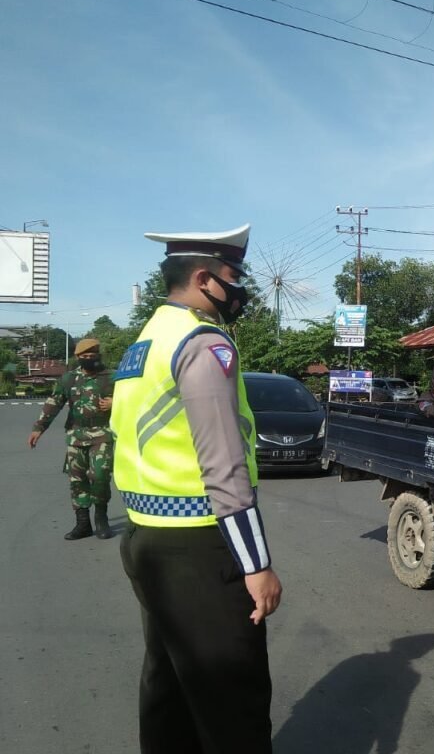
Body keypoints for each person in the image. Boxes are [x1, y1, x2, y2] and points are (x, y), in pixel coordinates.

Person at [111, 223, 282, 754]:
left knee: (170, 693)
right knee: (234, 704)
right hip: (200, 545)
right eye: (234, 277)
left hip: (146, 537)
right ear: (205, 279)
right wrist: (256, 565)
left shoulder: (144, 343)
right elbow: (224, 464)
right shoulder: (203, 342)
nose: (239, 290)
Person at [28, 337, 115, 540]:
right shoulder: (68, 379)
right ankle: (82, 523)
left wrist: (117, 401)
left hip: (102, 435)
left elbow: (134, 398)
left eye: (93, 356)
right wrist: (38, 428)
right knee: (77, 480)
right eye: (84, 356)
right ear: (77, 357)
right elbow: (54, 403)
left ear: (99, 356)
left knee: (100, 476)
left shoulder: (113, 377)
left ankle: (101, 519)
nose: (89, 359)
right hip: (75, 436)